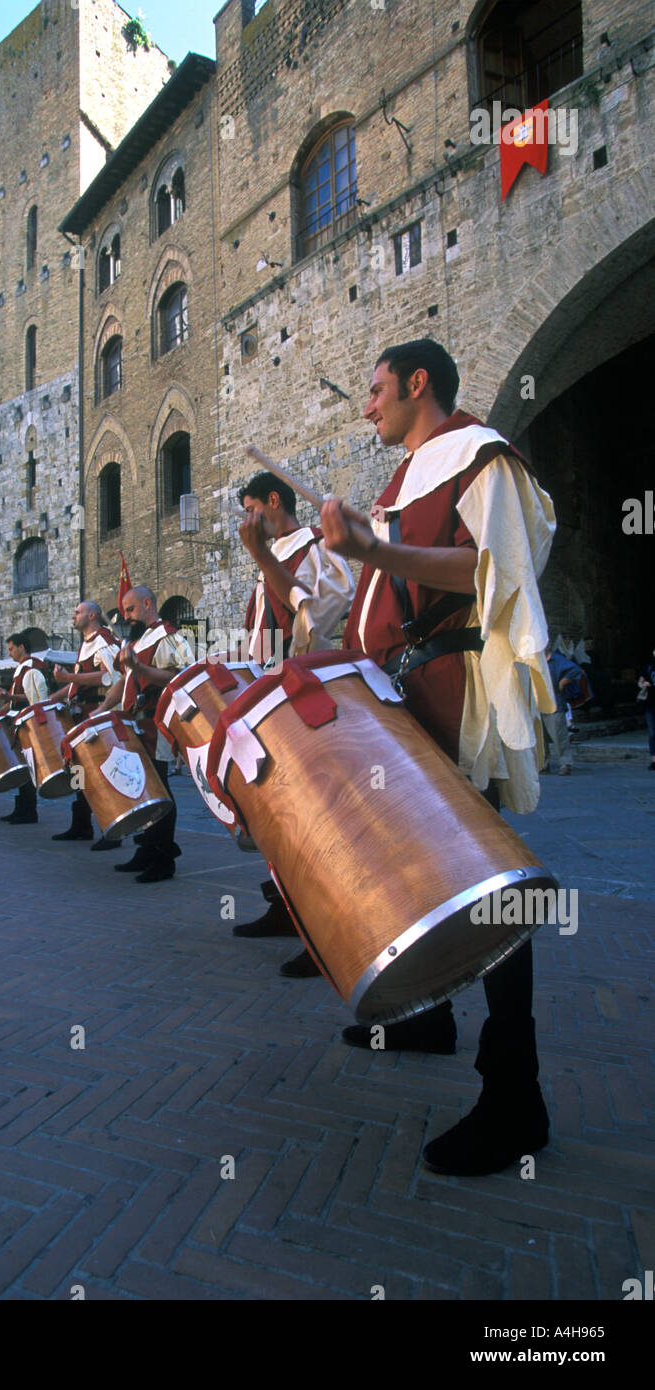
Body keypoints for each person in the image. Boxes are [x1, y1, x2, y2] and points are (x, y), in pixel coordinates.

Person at [317, 337, 556, 1177]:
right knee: (427, 869)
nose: (365, 404)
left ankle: (514, 1093)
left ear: (418, 383)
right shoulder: (403, 479)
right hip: (405, 694)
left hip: (459, 687)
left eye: (374, 388)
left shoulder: (478, 454)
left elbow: (496, 570)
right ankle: (428, 1018)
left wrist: (375, 551)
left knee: (486, 879)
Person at [233, 470, 355, 942]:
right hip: (268, 694)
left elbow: (315, 617)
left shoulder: (316, 546)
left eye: (251, 509)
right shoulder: (270, 558)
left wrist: (263, 558)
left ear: (274, 499)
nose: (247, 519)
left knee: (315, 815)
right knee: (278, 811)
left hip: (303, 693)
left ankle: (322, 924)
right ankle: (287, 907)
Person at [94, 586, 194, 882]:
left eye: (130, 609)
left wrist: (139, 667)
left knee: (160, 788)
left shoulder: (168, 635)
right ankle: (147, 850)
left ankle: (164, 858)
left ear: (148, 603)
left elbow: (178, 675)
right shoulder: (135, 642)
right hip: (134, 721)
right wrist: (101, 708)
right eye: (124, 611)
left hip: (157, 720)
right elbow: (123, 683)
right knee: (143, 789)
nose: (125, 616)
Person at [51, 601, 120, 846]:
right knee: (78, 772)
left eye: (78, 612)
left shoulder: (103, 640)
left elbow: (109, 675)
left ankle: (112, 830)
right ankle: (80, 824)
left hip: (97, 717)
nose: (73, 615)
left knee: (99, 772)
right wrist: (53, 698)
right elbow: (78, 683)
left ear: (91, 615)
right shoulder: (87, 643)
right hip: (82, 716)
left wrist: (69, 676)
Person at [0, 632, 48, 825]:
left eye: (11, 649)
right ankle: (22, 807)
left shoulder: (34, 667)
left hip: (29, 721)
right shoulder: (21, 669)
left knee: (29, 765)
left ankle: (29, 810)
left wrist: (9, 699)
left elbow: (35, 696)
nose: (9, 653)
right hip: (19, 721)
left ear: (21, 647)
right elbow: (12, 700)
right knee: (23, 763)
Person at [544, 645, 584, 775]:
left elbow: (575, 670)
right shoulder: (533, 660)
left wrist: (563, 682)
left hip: (554, 703)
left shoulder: (557, 660)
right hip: (537, 704)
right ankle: (543, 764)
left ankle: (565, 764)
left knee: (559, 736)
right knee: (540, 738)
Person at [638, 651, 655, 771]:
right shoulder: (649, 668)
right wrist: (643, 684)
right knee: (653, 732)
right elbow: (640, 681)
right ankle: (654, 760)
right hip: (651, 704)